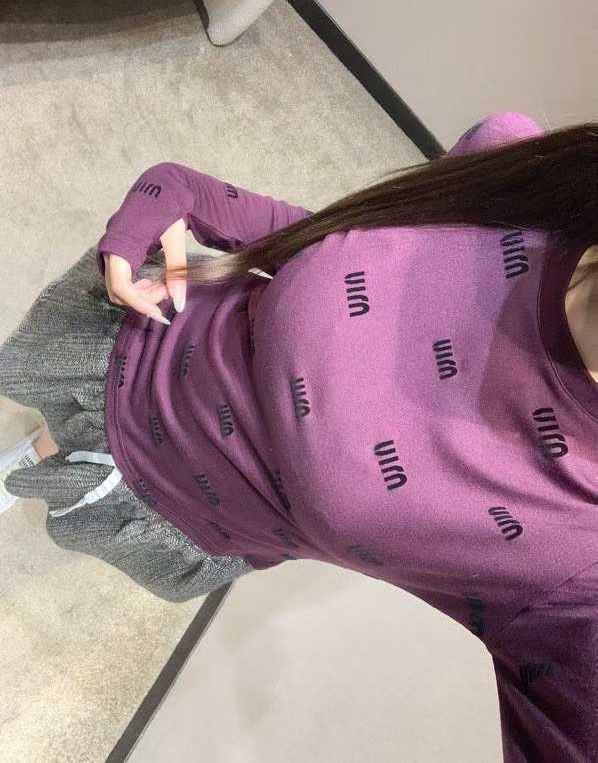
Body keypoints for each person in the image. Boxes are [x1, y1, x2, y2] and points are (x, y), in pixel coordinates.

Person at [0, 111, 596, 760]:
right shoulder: (533, 178)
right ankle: (46, 449)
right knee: (62, 433)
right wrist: (189, 194)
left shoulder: (579, 573)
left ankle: (47, 462)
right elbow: (344, 252)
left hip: (178, 505)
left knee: (68, 473)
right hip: (137, 337)